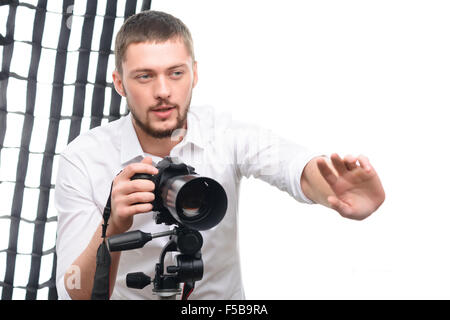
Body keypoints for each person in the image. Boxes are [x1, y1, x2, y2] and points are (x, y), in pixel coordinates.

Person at [55, 10, 385, 300]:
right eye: (144, 76)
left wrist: (331, 189)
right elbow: (75, 292)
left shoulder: (224, 135)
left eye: (176, 73)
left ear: (194, 74)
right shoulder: (83, 159)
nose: (163, 91)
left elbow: (289, 163)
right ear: (120, 83)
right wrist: (112, 227)